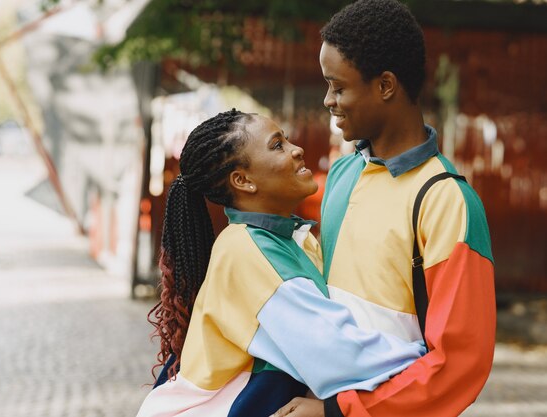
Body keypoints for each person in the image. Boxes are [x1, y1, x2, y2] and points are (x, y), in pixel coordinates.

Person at [272, 1, 496, 416]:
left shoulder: (446, 201)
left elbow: (460, 364)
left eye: (338, 87)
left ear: (386, 85)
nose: (328, 100)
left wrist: (338, 411)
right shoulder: (341, 175)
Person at [136, 109, 427, 417]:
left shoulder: (289, 239)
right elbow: (340, 356)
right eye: (277, 145)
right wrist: (428, 360)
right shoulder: (249, 253)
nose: (296, 149)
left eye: (286, 139)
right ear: (243, 180)